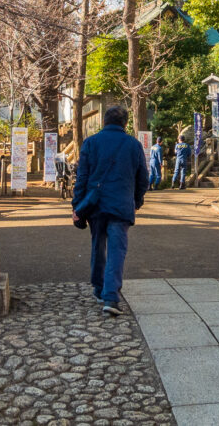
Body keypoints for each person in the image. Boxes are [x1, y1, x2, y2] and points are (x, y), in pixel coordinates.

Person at [72, 106, 148, 316]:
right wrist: (136, 201)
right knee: (117, 250)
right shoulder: (133, 145)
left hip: (96, 205)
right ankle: (111, 297)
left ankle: (98, 288)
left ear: (104, 121)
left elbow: (82, 178)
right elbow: (143, 178)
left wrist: (77, 206)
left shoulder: (91, 143)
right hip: (121, 205)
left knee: (98, 246)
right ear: (125, 123)